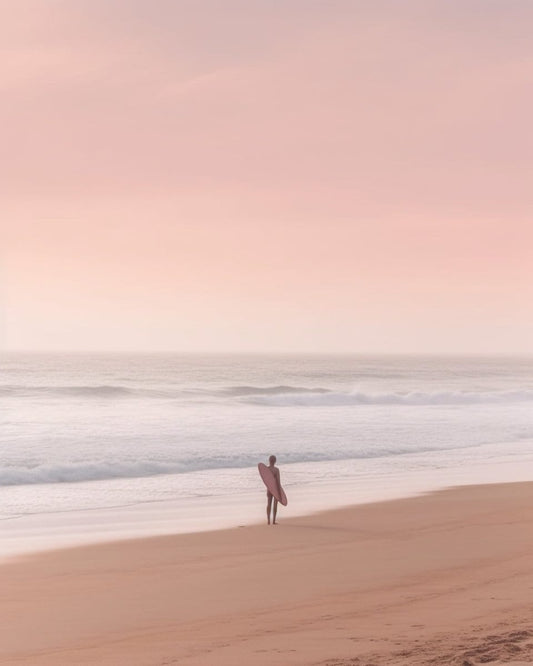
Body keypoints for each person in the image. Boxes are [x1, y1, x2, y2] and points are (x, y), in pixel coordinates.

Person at [266, 454, 281, 525]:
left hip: (269, 489)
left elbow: (265, 480)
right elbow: (278, 481)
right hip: (275, 489)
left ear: (269, 461)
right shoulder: (276, 470)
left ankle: (268, 521)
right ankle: (274, 521)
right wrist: (280, 492)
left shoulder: (266, 469)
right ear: (275, 461)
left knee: (269, 504)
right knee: (275, 505)